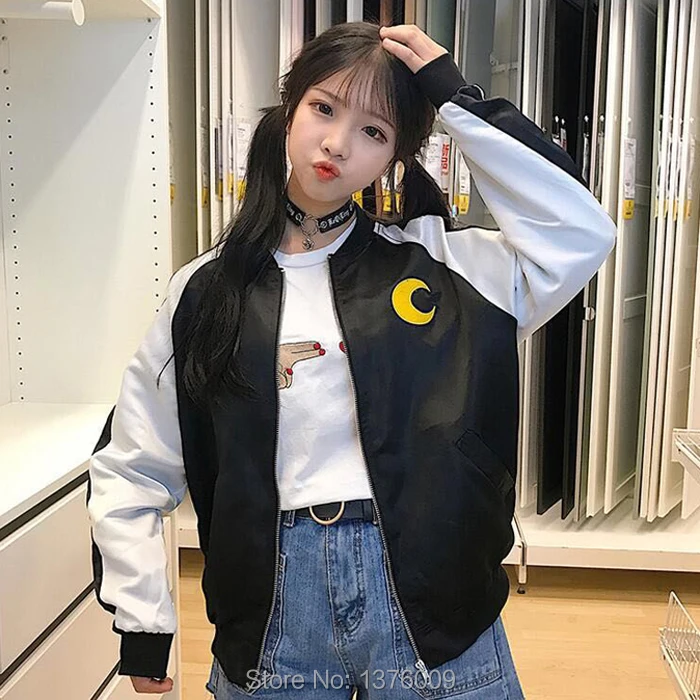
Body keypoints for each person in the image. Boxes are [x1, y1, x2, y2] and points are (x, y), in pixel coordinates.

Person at [86, 21, 616, 699]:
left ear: (397, 155)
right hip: (273, 611)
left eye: (374, 131)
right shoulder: (207, 290)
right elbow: (134, 461)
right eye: (324, 108)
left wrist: (456, 99)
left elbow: (580, 231)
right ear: (290, 106)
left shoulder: (449, 268)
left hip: (434, 602)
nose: (338, 143)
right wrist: (142, 619)